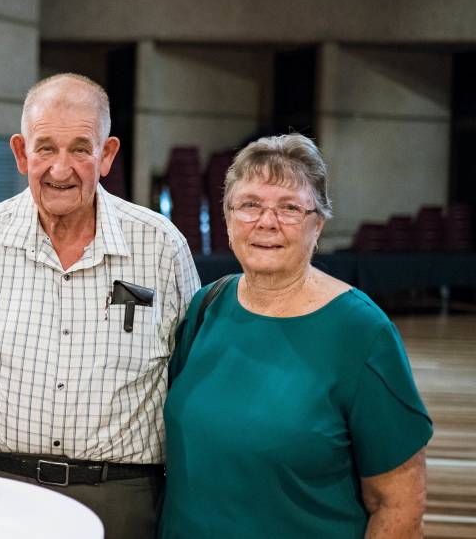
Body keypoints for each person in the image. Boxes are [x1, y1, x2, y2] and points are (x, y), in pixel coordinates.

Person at [0, 73, 200, 539]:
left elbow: (191, 368)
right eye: (45, 148)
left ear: (107, 154)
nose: (60, 168)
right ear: (21, 153)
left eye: (80, 148)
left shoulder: (160, 245)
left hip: (120, 501)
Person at [161, 134, 431, 538]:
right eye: (250, 205)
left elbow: (398, 504)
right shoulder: (206, 306)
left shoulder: (362, 333)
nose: (266, 222)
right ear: (227, 217)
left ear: (317, 224)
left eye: (289, 208)